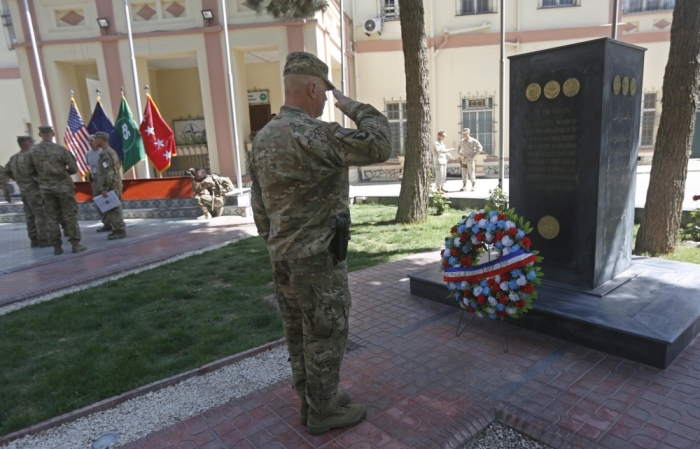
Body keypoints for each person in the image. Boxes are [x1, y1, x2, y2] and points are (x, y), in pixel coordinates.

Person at [249, 51, 392, 435]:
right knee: (327, 331)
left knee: (298, 330)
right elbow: (380, 144)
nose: (329, 100)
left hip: (283, 255)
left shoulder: (263, 136)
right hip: (316, 258)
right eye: (327, 92)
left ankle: (311, 400)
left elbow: (258, 202)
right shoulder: (313, 134)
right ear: (313, 87)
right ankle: (324, 411)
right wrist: (352, 105)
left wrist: (275, 241)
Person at [27, 125, 87, 255]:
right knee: (70, 215)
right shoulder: (61, 149)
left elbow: (28, 171)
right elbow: (73, 169)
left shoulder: (32, 152)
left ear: (40, 135)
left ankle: (57, 247)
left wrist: (42, 177)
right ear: (52, 134)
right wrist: (60, 172)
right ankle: (75, 244)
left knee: (51, 217)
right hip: (64, 187)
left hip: (46, 189)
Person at [5, 136, 51, 247]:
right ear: (27, 144)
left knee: (29, 215)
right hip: (34, 189)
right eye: (32, 143)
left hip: (23, 190)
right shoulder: (31, 157)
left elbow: (7, 171)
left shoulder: (13, 158)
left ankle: (33, 239)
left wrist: (19, 179)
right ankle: (44, 239)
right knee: (41, 214)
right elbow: (40, 172)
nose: (34, 145)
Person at [94, 131, 126, 240]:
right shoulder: (107, 152)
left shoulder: (107, 153)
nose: (94, 141)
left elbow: (109, 172)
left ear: (101, 140)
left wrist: (105, 188)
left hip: (111, 186)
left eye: (96, 139)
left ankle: (119, 230)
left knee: (114, 209)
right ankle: (117, 229)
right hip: (113, 185)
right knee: (112, 208)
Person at [86, 134, 110, 232]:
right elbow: (89, 165)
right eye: (89, 141)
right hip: (95, 181)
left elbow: (108, 168)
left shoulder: (103, 153)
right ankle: (106, 223)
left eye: (92, 140)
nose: (90, 143)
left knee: (109, 202)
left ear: (96, 140)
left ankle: (114, 223)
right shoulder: (88, 154)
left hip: (105, 181)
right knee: (99, 202)